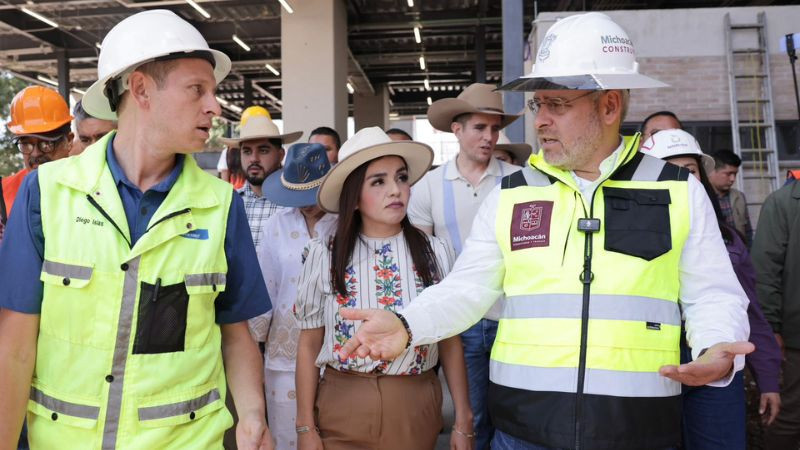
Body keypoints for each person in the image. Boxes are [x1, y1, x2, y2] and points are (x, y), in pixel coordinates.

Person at [335, 12, 752, 450]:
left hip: (637, 429)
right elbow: (467, 289)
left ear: (609, 105)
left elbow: (712, 293)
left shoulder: (677, 190)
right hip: (523, 431)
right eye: (539, 105)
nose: (540, 121)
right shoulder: (511, 193)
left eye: (558, 104)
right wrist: (406, 323)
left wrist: (717, 346)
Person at [0, 10, 274, 449]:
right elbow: (14, 344)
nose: (215, 106)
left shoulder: (221, 206)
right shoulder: (46, 194)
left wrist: (253, 418)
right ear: (141, 89)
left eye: (214, 92)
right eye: (196, 90)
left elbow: (234, 331)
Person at [294, 127, 473, 450]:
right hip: (341, 402)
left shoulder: (436, 252)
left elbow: (449, 341)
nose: (396, 190)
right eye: (379, 181)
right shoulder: (324, 254)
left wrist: (463, 419)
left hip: (414, 405)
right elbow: (309, 344)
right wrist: (305, 426)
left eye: (401, 178)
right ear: (354, 197)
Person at [642, 128, 782, 449]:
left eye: (689, 171)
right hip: (651, 370)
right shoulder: (622, 237)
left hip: (715, 369)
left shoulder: (728, 240)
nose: (680, 181)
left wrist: (769, 378)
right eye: (667, 171)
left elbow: (749, 310)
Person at [407, 82, 521, 449]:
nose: (489, 137)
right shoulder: (428, 186)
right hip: (461, 323)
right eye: (479, 127)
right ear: (457, 129)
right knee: (470, 417)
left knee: (515, 415)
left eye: (494, 128)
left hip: (514, 318)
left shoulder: (519, 182)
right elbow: (421, 261)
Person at [248, 143, 337, 449]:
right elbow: (266, 287)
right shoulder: (277, 225)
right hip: (284, 357)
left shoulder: (346, 223)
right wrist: (253, 349)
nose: (307, 204)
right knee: (289, 439)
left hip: (338, 355)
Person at [752, 172, 800, 450]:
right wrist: (772, 329)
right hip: (795, 338)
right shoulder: (783, 203)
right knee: (790, 415)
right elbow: (766, 270)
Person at [221, 114, 302, 248]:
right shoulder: (229, 203)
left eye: (263, 150)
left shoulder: (297, 203)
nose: (253, 159)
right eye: (247, 151)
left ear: (281, 155)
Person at [2, 86, 74, 222]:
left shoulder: (91, 189)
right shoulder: (4, 192)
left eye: (46, 144)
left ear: (69, 141)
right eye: (26, 144)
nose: (35, 154)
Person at [708, 149, 753, 247]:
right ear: (711, 172)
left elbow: (748, 233)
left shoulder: (739, 197)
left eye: (735, 174)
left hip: (738, 256)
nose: (733, 179)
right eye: (728, 174)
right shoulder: (702, 198)